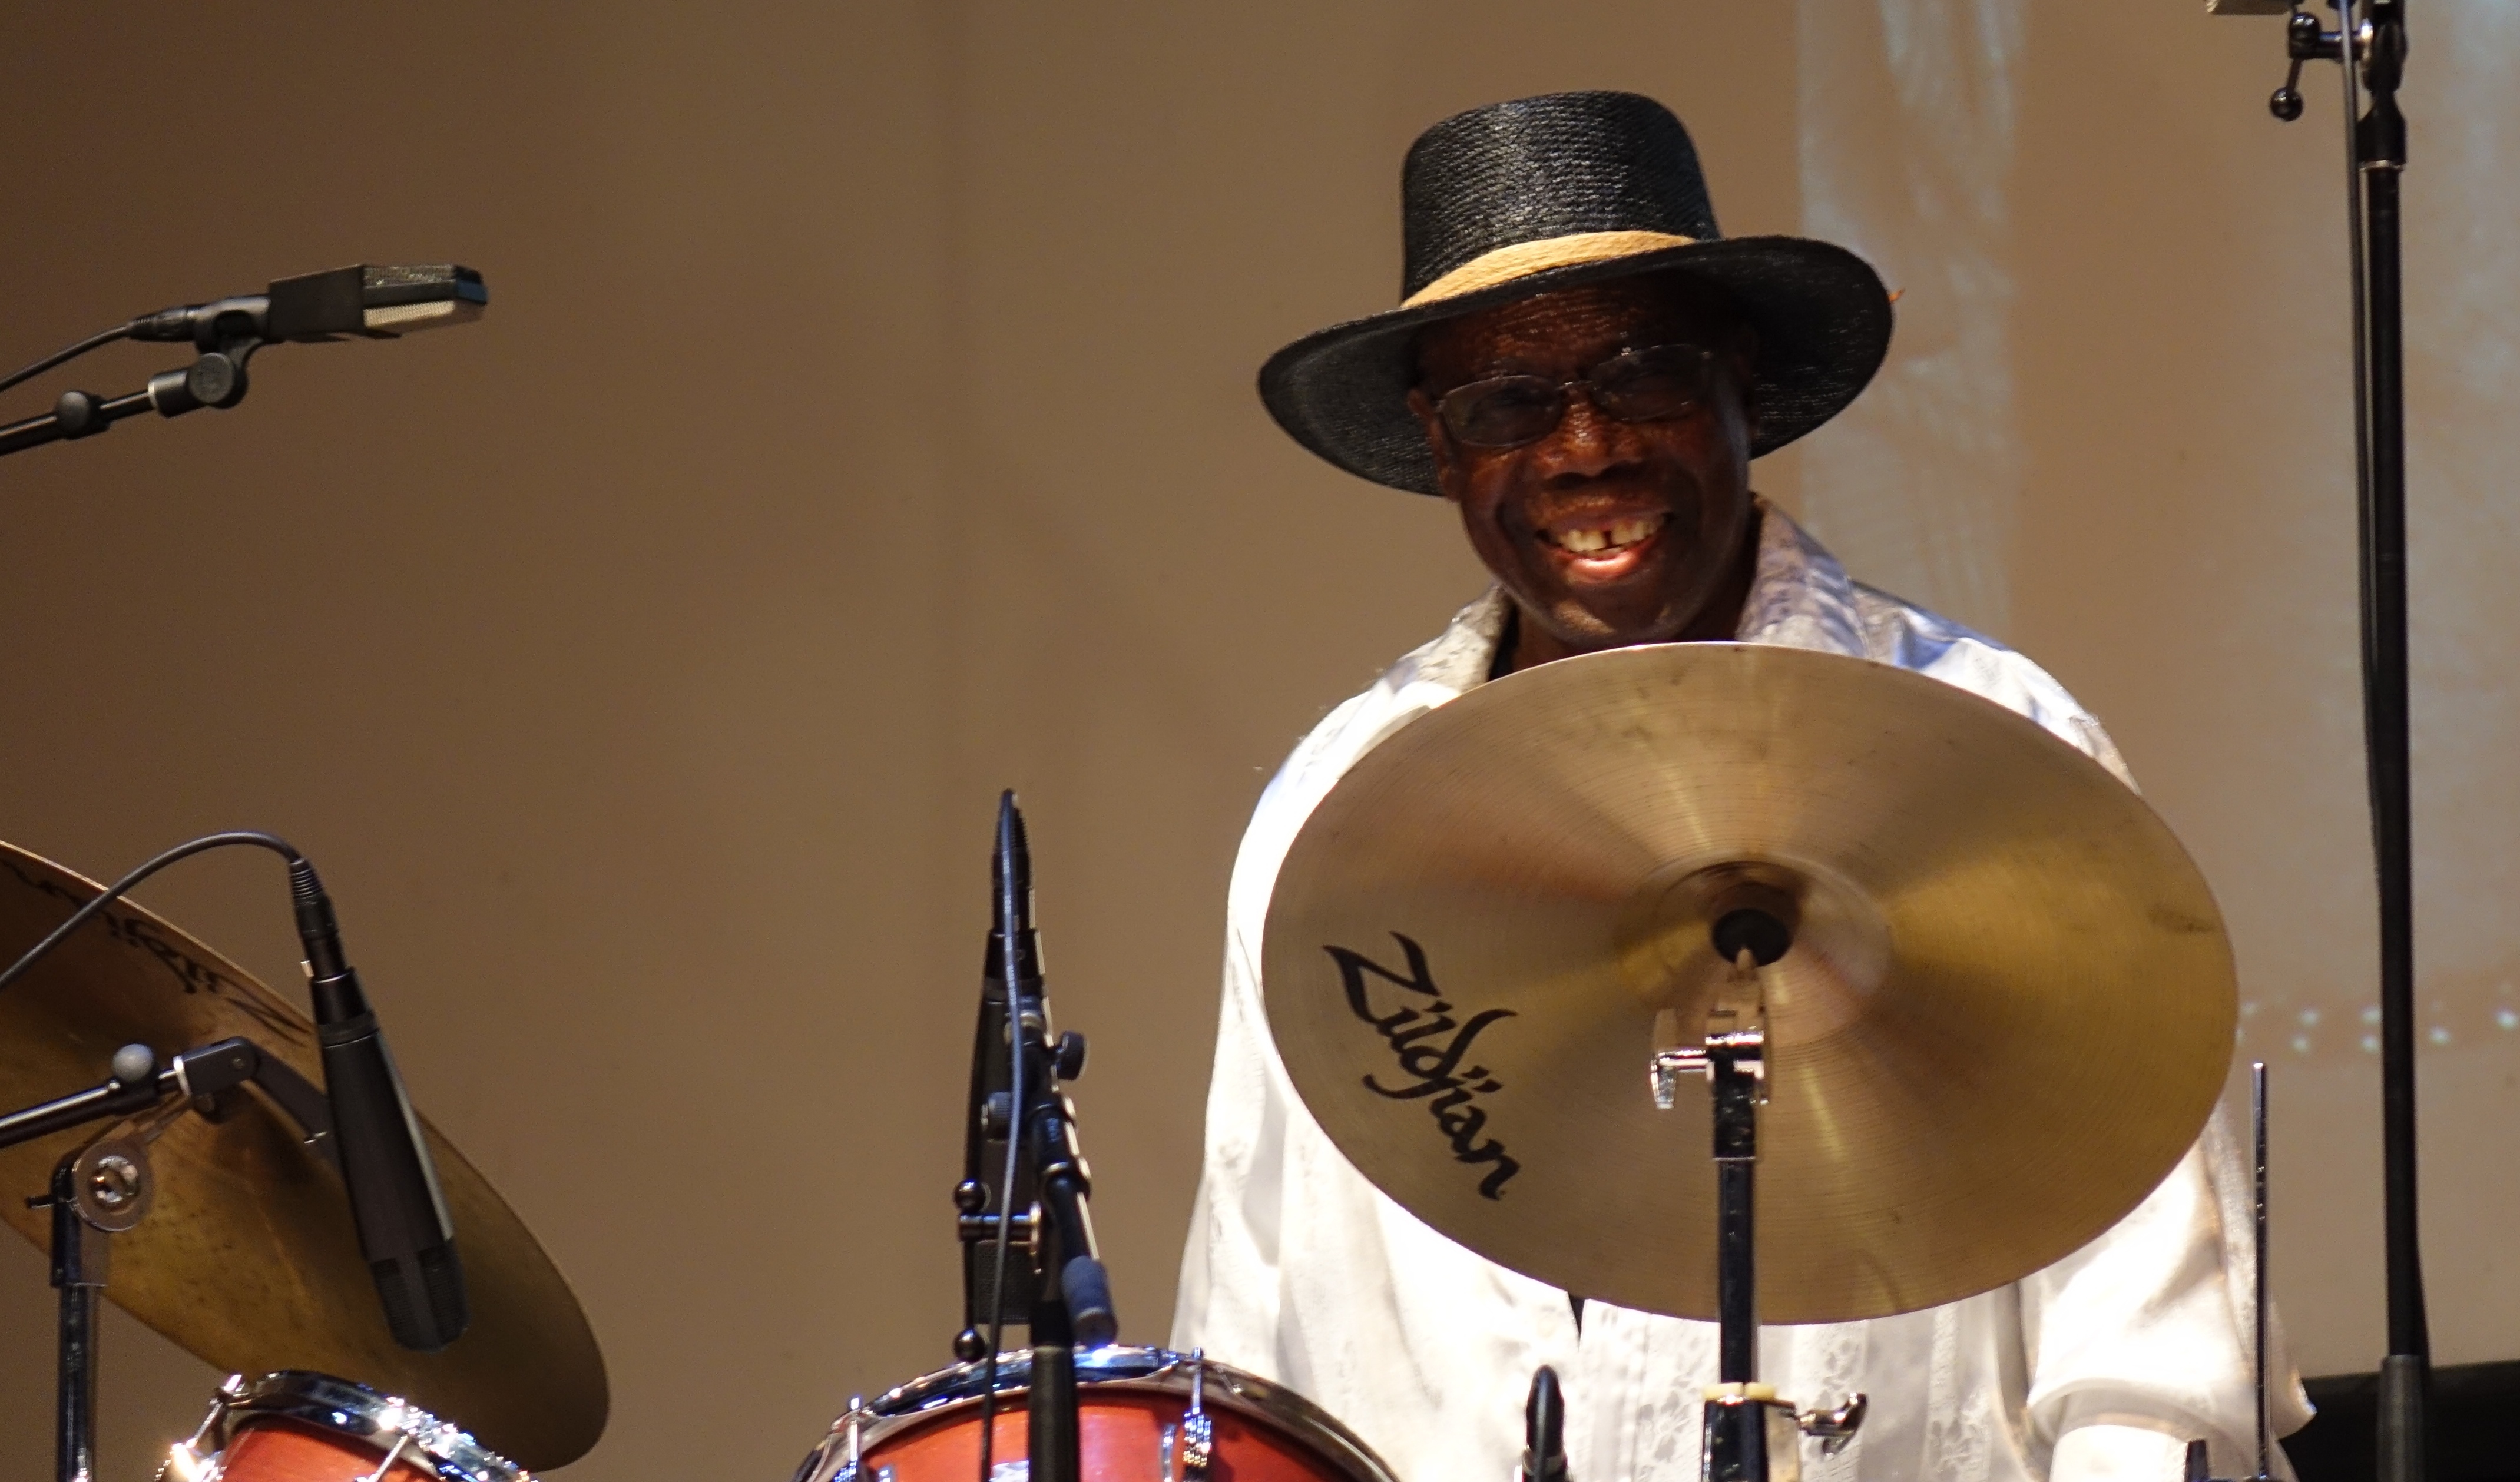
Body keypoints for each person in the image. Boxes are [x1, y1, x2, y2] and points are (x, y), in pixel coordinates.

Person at [1170, 91, 2309, 1482]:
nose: (1584, 448)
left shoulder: (1987, 745)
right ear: (1438, 445)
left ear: (1742, 388)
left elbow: (2154, 1348)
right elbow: (1253, 1321)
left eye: (1643, 376)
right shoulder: (1336, 804)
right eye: (1509, 403)